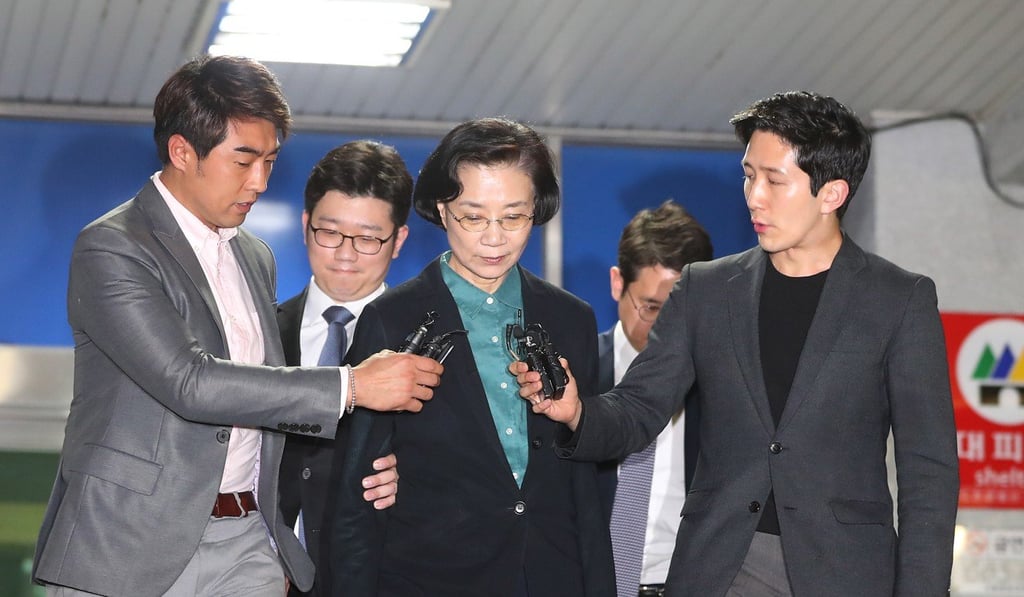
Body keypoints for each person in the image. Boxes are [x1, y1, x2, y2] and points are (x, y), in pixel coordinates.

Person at [514, 91, 959, 596]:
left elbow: (929, 471)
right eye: (749, 175)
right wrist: (577, 412)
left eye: (774, 181)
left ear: (831, 194)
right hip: (721, 564)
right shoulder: (705, 289)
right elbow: (639, 406)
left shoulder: (899, 299)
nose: (754, 196)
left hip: (845, 571)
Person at [32, 55, 443, 597]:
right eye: (244, 160)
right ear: (182, 151)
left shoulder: (254, 254)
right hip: (130, 544)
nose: (260, 181)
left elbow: (265, 402)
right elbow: (190, 382)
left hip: (248, 541)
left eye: (271, 161)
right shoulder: (114, 246)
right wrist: (354, 385)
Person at [323, 117, 615, 596]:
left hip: (550, 573)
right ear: (442, 209)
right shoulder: (393, 320)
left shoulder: (570, 319)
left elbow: (585, 480)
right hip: (431, 576)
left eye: (514, 217)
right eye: (474, 217)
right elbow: (360, 498)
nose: (494, 238)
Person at [277, 140, 412, 597]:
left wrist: (415, 476)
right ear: (304, 226)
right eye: (329, 232)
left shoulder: (430, 351)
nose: (346, 254)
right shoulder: (254, 334)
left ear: (399, 242)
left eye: (369, 238)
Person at [597, 200, 712, 597]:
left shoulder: (718, 388)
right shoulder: (574, 378)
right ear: (617, 283)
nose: (665, 329)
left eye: (679, 312)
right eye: (651, 308)